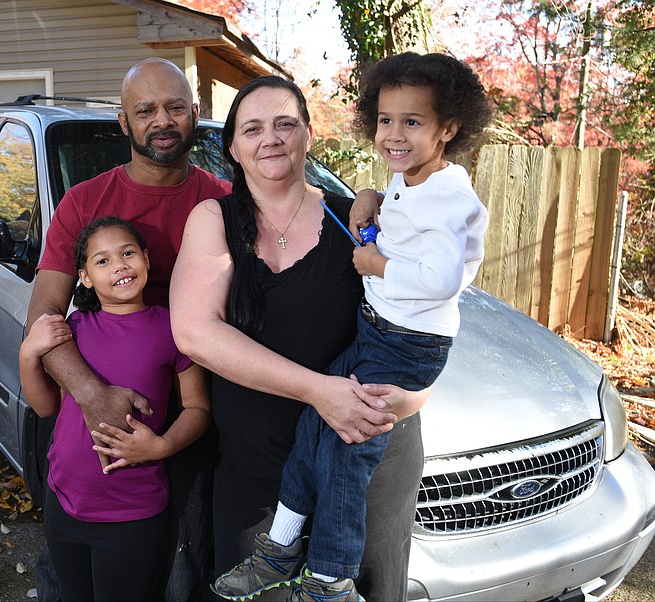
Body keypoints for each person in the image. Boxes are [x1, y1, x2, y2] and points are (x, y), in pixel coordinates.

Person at [210, 51, 494, 601]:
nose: (394, 133)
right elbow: (403, 218)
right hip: (380, 336)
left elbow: (440, 277)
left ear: (448, 128)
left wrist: (376, 265)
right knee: (315, 426)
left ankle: (330, 579)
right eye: (386, 120)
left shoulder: (450, 196)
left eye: (412, 122)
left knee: (344, 454)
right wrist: (373, 197)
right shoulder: (411, 184)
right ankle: (282, 546)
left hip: (403, 347)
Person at [167, 75, 431, 602]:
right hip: (258, 473)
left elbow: (422, 316)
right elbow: (195, 332)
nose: (271, 138)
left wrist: (410, 397)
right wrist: (318, 391)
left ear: (308, 136)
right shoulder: (212, 220)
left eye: (286, 124)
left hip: (360, 464)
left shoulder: (358, 217)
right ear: (234, 148)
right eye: (253, 128)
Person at [28, 57, 232, 601]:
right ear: (124, 123)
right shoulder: (85, 203)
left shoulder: (223, 203)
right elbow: (43, 321)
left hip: (188, 419)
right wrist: (94, 396)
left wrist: (366, 204)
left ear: (194, 113)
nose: (161, 120)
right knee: (70, 569)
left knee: (178, 567)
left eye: (174, 107)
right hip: (93, 431)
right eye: (145, 110)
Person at [20, 217, 210, 601]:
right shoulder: (73, 330)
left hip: (133, 513)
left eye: (127, 253)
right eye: (102, 261)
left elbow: (198, 408)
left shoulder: (173, 329)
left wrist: (162, 446)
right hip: (65, 502)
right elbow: (46, 408)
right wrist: (29, 354)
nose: (119, 265)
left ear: (146, 259)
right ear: (84, 277)